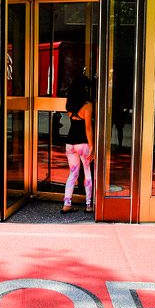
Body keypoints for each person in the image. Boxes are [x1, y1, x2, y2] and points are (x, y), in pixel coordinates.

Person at [61, 74, 94, 214]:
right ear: (84, 88)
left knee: (72, 174)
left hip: (70, 143)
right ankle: (88, 205)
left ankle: (66, 204)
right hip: (83, 144)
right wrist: (92, 146)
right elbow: (88, 127)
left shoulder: (69, 103)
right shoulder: (88, 105)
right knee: (87, 173)